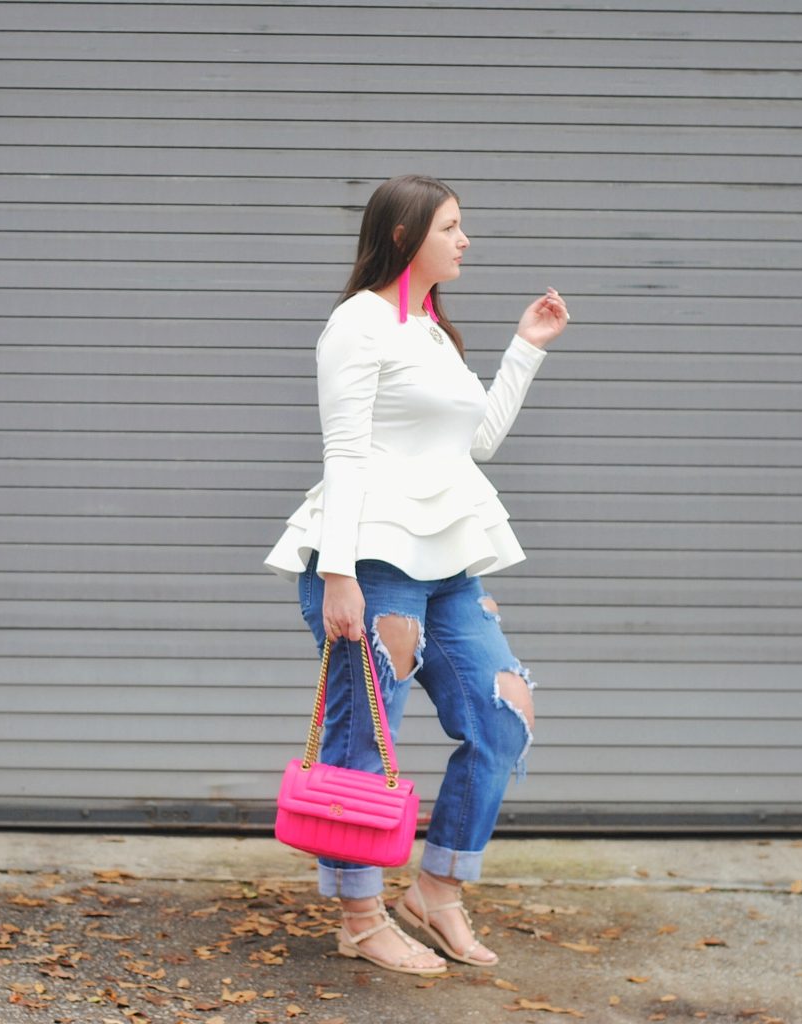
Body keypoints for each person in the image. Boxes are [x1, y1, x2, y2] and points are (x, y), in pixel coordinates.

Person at [265, 174, 569, 976]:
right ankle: (361, 917)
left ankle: (435, 890)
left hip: (446, 571)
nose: (465, 240)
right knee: (363, 740)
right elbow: (345, 451)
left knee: (503, 718)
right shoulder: (357, 325)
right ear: (404, 237)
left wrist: (526, 349)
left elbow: (478, 443)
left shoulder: (431, 328)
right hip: (370, 565)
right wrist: (338, 575)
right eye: (451, 227)